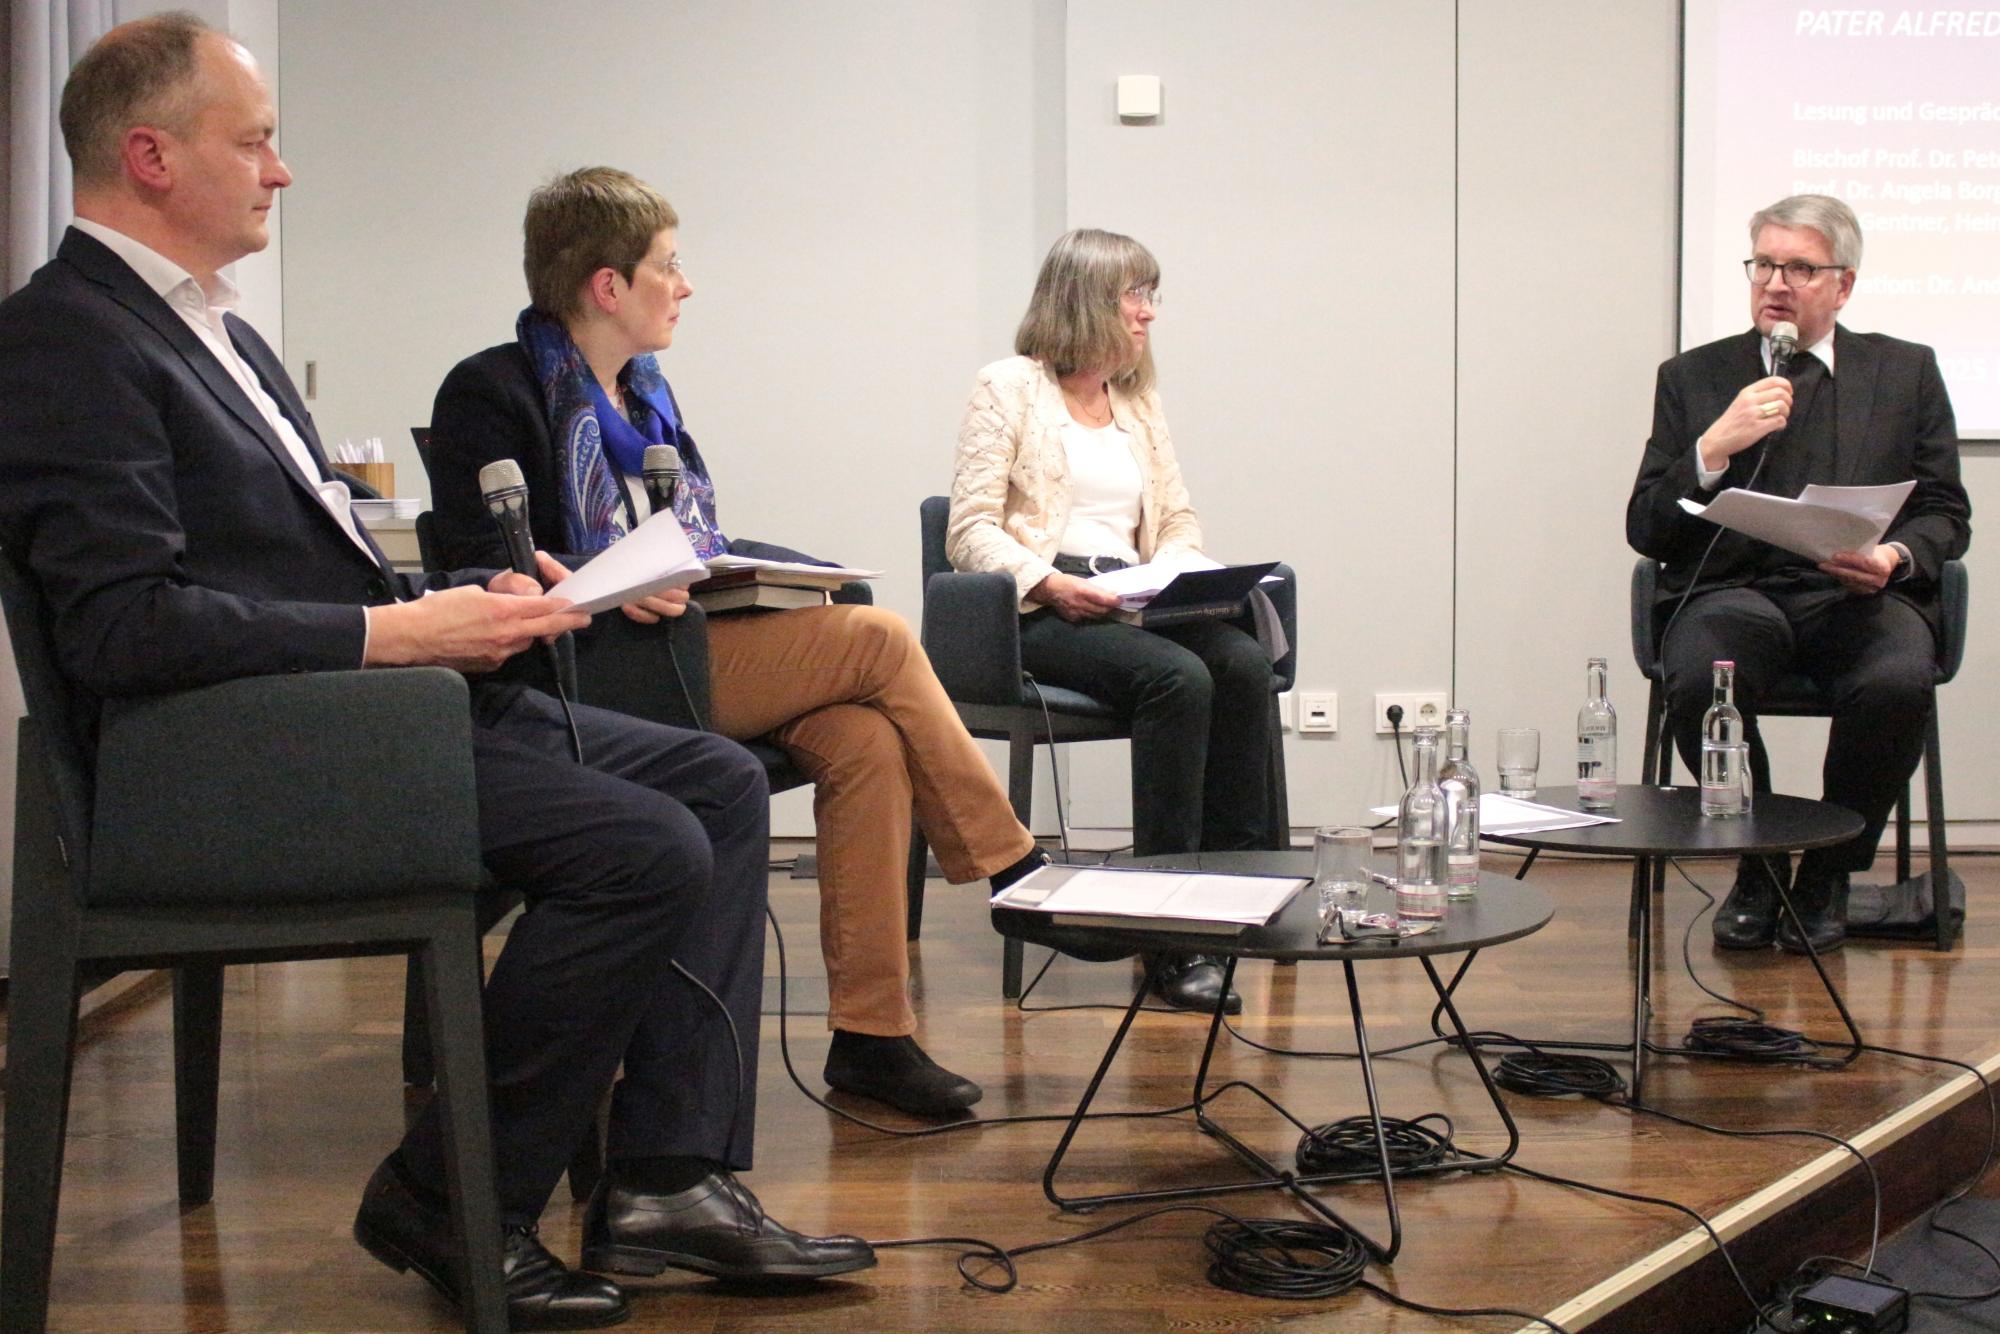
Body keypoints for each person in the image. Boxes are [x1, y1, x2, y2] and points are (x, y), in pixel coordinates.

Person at [0, 17, 873, 1330]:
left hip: (352, 718)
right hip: (246, 760)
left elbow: (292, 577)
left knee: (715, 785)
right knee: (646, 847)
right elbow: (122, 628)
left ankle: (669, 1176)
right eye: (257, 142)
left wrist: (448, 600)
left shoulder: (211, 334)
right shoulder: (68, 339)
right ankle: (448, 1196)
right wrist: (400, 637)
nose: (281, 171)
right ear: (152, 156)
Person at [426, 167, 1045, 1119]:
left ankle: (873, 1038)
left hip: (680, 647)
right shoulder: (492, 390)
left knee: (864, 738)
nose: (685, 285)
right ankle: (1013, 868)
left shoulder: (647, 398)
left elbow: (693, 538)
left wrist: (725, 572)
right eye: (668, 267)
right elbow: (481, 568)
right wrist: (599, 581)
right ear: (607, 286)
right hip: (581, 673)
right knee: (878, 640)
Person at [1627, 193, 1969, 955]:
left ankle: (1828, 872)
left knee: (1896, 681)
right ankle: (1758, 864)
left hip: (1855, 595)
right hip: (1735, 596)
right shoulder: (1696, 377)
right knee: (1697, 676)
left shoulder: (1905, 371)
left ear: (1842, 285)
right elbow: (1645, 526)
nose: (1776, 283)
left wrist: (1893, 556)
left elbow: (1947, 510)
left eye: (1800, 268)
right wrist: (1711, 451)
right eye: (1765, 265)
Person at [948, 228, 1279, 1015]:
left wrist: (1177, 572)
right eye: (1136, 295)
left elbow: (1176, 517)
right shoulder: (1008, 387)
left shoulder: (1135, 400)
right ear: (1087, 298)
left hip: (1131, 599)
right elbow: (968, 530)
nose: (1148, 314)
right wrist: (1052, 583)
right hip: (1041, 610)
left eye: (1150, 296)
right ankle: (1168, 935)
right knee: (1177, 677)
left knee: (1240, 664)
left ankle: (1234, 902)